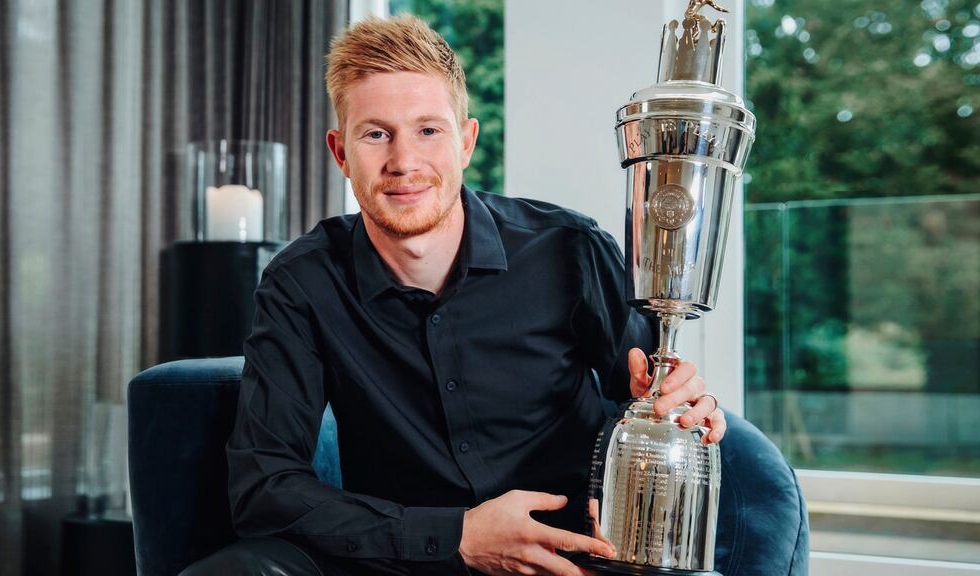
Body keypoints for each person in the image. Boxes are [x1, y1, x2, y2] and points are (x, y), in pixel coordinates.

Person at [182, 15, 726, 576]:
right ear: (340, 152)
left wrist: (677, 401)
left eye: (428, 130)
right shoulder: (302, 282)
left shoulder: (571, 250)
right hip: (402, 564)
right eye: (375, 134)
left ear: (465, 142)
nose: (403, 162)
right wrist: (455, 537)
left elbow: (644, 398)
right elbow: (264, 486)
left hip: (567, 563)